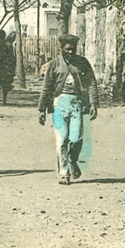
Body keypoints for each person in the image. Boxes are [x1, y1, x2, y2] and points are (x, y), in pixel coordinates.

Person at [38, 33, 98, 185]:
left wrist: (93, 104)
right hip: (59, 105)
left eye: (73, 49)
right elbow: (46, 87)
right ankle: (63, 173)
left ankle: (72, 160)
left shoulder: (82, 63)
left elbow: (91, 82)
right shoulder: (54, 65)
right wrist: (41, 109)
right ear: (61, 49)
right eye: (68, 49)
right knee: (61, 140)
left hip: (77, 104)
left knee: (76, 138)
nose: (71, 52)